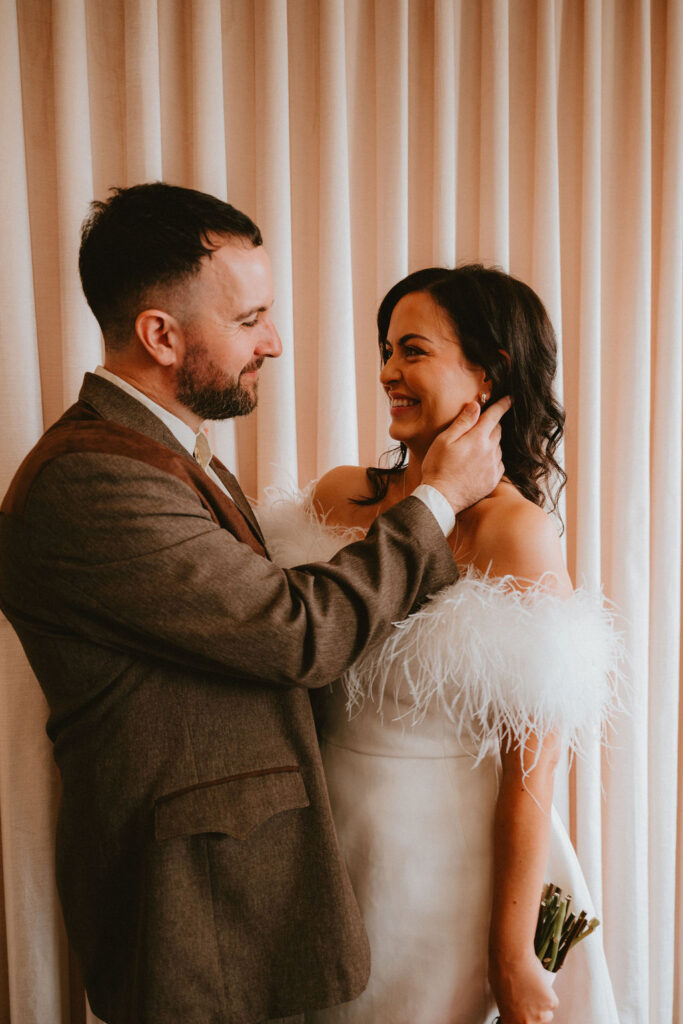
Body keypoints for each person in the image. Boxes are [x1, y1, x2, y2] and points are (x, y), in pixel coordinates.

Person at [0, 186, 511, 1024]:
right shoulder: (92, 479)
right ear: (161, 335)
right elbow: (295, 631)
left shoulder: (164, 453)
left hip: (246, 896)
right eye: (250, 320)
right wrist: (436, 502)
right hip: (190, 912)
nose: (272, 342)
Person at [257, 266, 622, 1024]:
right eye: (386, 349)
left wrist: (512, 951)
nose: (387, 370)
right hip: (317, 847)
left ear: (487, 372)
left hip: (439, 869)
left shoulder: (514, 534)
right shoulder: (334, 498)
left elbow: (534, 764)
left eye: (412, 350)